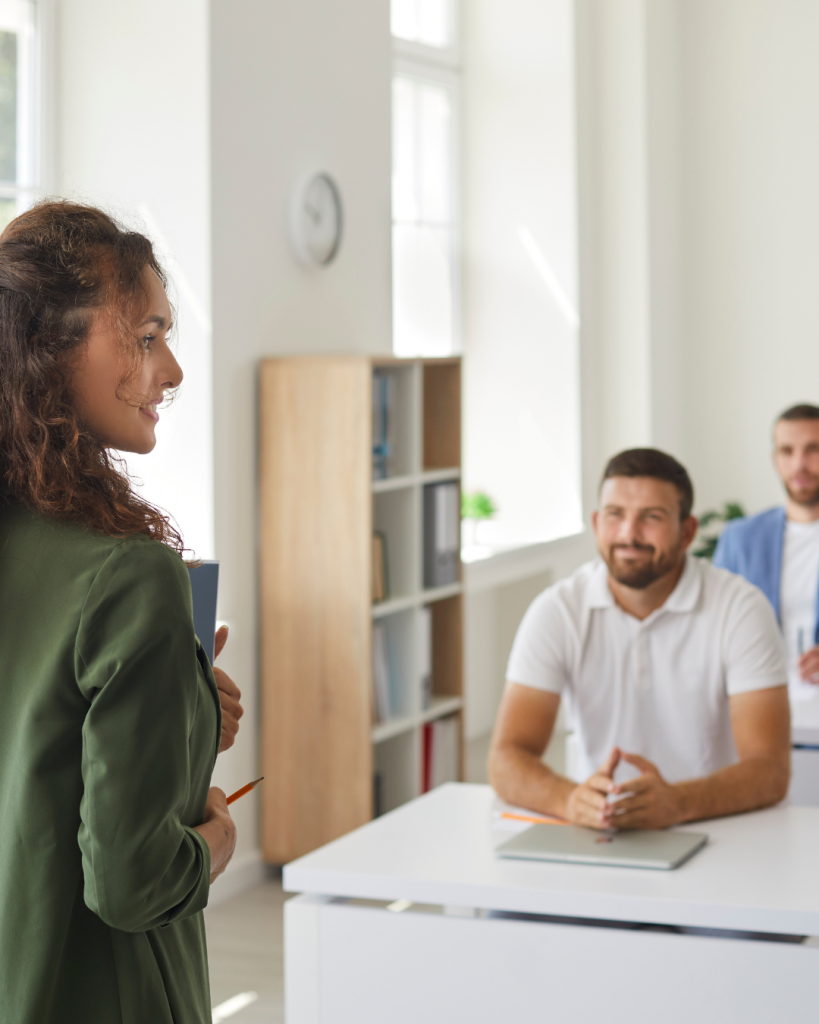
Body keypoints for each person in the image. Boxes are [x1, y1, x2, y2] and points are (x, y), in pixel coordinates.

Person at [0, 201, 244, 1023]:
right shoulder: (128, 575)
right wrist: (215, 841)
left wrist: (191, 707)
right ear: (46, 348)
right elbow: (133, 882)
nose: (170, 371)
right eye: (144, 337)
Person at [489, 448, 790, 830]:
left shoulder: (741, 609)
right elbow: (506, 758)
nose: (629, 534)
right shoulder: (558, 610)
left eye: (652, 518)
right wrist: (568, 799)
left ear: (688, 532)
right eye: (615, 515)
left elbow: (770, 770)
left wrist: (678, 803)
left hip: (718, 827)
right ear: (597, 523)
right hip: (603, 828)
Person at [715, 404, 819, 700]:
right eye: (787, 451)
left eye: (814, 449)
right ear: (775, 460)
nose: (800, 464)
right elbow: (714, 628)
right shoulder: (739, 539)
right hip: (756, 703)